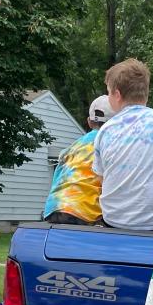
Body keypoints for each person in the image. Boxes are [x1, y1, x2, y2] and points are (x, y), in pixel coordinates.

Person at [93, 59, 153, 230]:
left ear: (117, 94)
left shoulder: (105, 130)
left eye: (108, 93)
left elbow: (101, 179)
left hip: (113, 223)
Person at [42, 95, 108, 226]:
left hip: (54, 208)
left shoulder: (72, 147)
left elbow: (57, 178)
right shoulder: (109, 143)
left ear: (89, 122)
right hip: (83, 210)